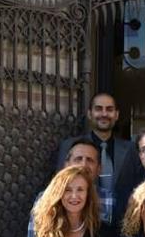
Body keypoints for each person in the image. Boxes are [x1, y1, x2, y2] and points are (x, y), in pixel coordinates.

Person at [55, 92, 134, 225]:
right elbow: (61, 182)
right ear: (90, 113)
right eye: (98, 109)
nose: (104, 114)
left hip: (122, 223)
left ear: (116, 115)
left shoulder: (131, 149)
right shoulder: (70, 146)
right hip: (80, 221)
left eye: (109, 109)